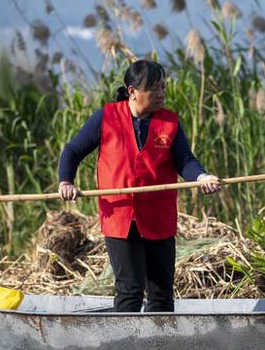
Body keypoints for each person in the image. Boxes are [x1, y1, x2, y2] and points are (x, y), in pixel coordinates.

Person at [58, 59, 221, 313]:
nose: (161, 94)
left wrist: (201, 178)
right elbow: (72, 151)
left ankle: (160, 348)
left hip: (158, 217)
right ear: (132, 91)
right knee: (130, 290)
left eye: (163, 88)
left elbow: (185, 160)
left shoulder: (170, 123)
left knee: (161, 294)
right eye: (154, 88)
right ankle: (125, 349)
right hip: (120, 217)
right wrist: (66, 181)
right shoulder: (107, 117)